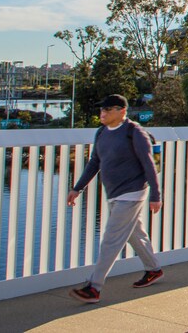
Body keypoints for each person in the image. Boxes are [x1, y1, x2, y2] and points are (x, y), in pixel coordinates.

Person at [67, 94, 163, 303]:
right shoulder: (101, 132)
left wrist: (156, 195)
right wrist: (77, 188)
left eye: (107, 109)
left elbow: (149, 165)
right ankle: (153, 269)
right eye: (101, 109)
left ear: (122, 111)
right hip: (114, 193)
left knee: (111, 238)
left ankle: (94, 286)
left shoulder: (134, 132)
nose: (102, 113)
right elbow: (94, 162)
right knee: (133, 233)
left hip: (134, 191)